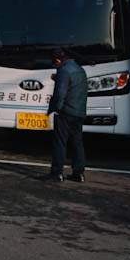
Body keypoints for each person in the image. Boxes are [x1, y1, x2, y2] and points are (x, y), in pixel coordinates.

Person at [45, 48, 87, 182]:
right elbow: (74, 85)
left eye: (55, 64)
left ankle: (56, 173)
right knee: (77, 143)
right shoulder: (80, 69)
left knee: (60, 142)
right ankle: (79, 173)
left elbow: (61, 93)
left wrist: (56, 109)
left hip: (65, 112)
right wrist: (57, 77)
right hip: (79, 111)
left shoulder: (64, 70)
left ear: (58, 60)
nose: (55, 67)